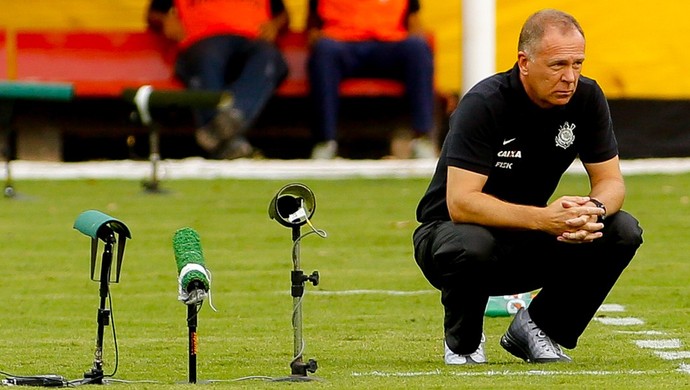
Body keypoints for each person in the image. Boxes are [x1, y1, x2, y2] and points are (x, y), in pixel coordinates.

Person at [412, 9, 643, 365]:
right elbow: (461, 203)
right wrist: (544, 220)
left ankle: (538, 328)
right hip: (451, 240)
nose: (570, 77)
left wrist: (591, 212)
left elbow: (611, 182)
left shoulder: (587, 98)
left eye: (577, 64)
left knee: (622, 229)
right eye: (557, 65)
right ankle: (465, 344)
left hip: (527, 236)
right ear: (524, 62)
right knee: (472, 243)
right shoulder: (484, 104)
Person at [146, 0, 289, 159]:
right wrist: (166, 20)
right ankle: (230, 141)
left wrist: (275, 25)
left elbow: (283, 14)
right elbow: (154, 13)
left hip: (254, 39)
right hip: (203, 38)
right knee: (206, 58)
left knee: (269, 57)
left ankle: (222, 124)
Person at [306, 0, 437, 160]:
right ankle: (325, 142)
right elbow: (313, 20)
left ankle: (422, 139)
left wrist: (420, 43)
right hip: (342, 46)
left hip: (389, 46)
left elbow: (413, 19)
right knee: (323, 49)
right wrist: (313, 35)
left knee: (418, 47)